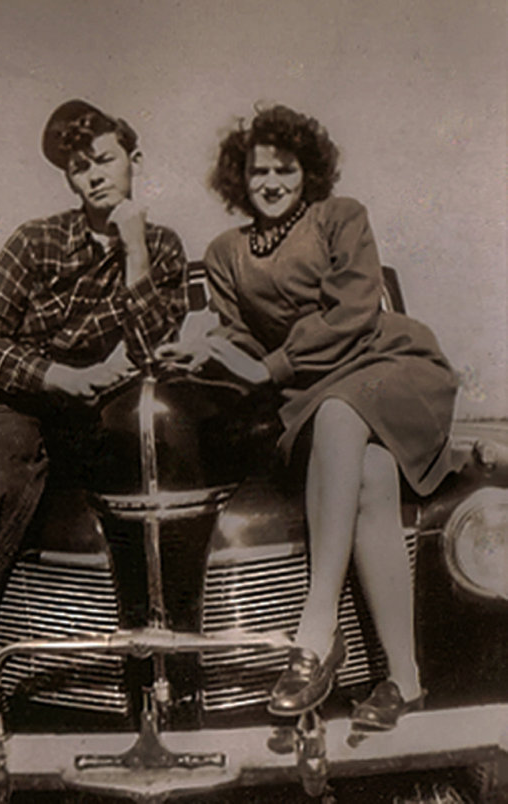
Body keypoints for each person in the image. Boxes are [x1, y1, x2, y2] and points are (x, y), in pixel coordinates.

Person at [159, 104, 462, 730]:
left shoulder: (340, 217)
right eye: (258, 170)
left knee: (338, 411)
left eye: (285, 169)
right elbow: (243, 338)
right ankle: (405, 681)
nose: (271, 182)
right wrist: (208, 348)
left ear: (308, 172)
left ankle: (316, 629)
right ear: (238, 178)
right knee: (371, 478)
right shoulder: (225, 252)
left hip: (390, 365)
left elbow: (354, 311)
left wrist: (272, 368)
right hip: (314, 398)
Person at [0, 100, 188, 688]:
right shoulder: (37, 240)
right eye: (80, 168)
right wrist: (59, 376)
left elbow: (153, 351)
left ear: (134, 159)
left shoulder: (164, 249)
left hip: (26, 408)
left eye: (104, 159)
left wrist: (135, 254)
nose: (95, 175)